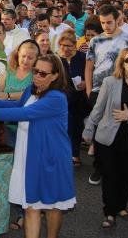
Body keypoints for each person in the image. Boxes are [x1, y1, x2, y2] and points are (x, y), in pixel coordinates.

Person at [0, 54, 76, 238]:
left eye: (43, 73)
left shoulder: (57, 97)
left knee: (53, 205)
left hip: (51, 157)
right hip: (28, 154)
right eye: (35, 71)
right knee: (31, 205)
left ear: (55, 76)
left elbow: (25, 112)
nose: (36, 76)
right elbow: (16, 105)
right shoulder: (30, 90)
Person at [83, 47, 128, 228]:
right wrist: (89, 129)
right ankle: (109, 212)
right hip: (108, 137)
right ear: (122, 64)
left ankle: (121, 208)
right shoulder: (110, 82)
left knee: (126, 175)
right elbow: (98, 109)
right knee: (110, 175)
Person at [84, 5, 128, 186]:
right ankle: (99, 167)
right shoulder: (95, 41)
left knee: (119, 131)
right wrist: (89, 89)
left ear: (118, 20)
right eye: (103, 23)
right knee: (100, 132)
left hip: (123, 92)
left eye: (109, 22)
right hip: (98, 92)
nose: (106, 26)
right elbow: (89, 67)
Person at [56, 30, 88, 166]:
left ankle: (75, 154)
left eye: (68, 45)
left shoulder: (82, 57)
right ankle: (64, 154)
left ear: (74, 45)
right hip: (63, 98)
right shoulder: (56, 58)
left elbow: (90, 75)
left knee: (76, 126)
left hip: (79, 98)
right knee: (65, 127)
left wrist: (86, 83)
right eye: (62, 45)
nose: (65, 48)